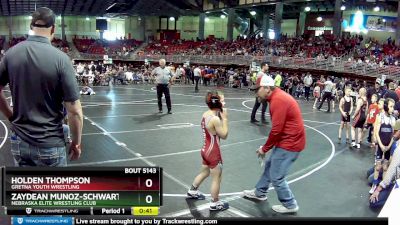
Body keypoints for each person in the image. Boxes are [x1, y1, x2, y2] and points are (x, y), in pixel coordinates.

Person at [0, 7, 83, 166]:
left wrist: (11, 116)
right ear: (53, 28)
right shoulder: (61, 59)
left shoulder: (11, 54)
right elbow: (75, 112)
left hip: (19, 141)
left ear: (31, 27)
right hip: (50, 144)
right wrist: (76, 143)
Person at [244, 75, 306, 214]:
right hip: (287, 140)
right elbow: (279, 129)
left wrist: (264, 149)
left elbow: (277, 130)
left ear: (267, 88)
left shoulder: (278, 100)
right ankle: (259, 192)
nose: (256, 93)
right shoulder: (277, 97)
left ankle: (290, 204)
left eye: (257, 89)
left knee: (276, 176)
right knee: (270, 166)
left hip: (290, 143)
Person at [187, 91, 229, 211]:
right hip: (213, 152)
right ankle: (215, 203)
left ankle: (192, 191)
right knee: (217, 178)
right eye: (222, 100)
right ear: (216, 103)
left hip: (205, 149)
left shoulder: (205, 114)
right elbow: (224, 135)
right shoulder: (215, 119)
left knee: (205, 172)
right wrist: (225, 119)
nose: (224, 102)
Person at [370, 98, 396, 194]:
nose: (392, 109)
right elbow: (376, 132)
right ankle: (374, 185)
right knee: (377, 167)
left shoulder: (393, 119)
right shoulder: (379, 117)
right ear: (385, 106)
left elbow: (393, 135)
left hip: (388, 147)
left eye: (393, 107)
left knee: (385, 167)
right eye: (391, 106)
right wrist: (380, 145)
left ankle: (382, 187)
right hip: (381, 146)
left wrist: (389, 146)